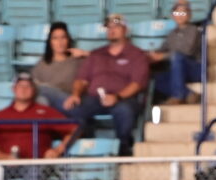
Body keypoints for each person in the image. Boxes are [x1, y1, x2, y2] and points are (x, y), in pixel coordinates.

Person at [64, 14, 150, 158]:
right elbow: (82, 79)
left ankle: (123, 149)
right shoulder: (96, 54)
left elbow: (137, 84)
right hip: (94, 98)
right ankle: (85, 149)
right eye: (109, 27)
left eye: (116, 26)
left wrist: (117, 96)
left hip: (123, 98)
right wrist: (76, 94)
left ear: (125, 29)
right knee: (75, 109)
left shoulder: (136, 54)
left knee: (124, 110)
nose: (112, 30)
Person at [149, 1, 203, 106]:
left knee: (177, 57)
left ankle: (178, 95)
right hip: (178, 71)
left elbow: (188, 51)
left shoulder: (194, 31)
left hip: (196, 69)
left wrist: (163, 56)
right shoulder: (172, 34)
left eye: (183, 13)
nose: (180, 16)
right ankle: (189, 94)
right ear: (173, 15)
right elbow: (162, 49)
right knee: (154, 76)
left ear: (189, 15)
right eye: (177, 13)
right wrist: (152, 55)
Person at [30, 22, 86, 111]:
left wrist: (86, 53)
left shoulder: (77, 60)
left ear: (68, 39)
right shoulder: (42, 64)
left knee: (43, 89)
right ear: (50, 42)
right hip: (49, 106)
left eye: (63, 37)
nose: (60, 42)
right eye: (55, 38)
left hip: (71, 102)